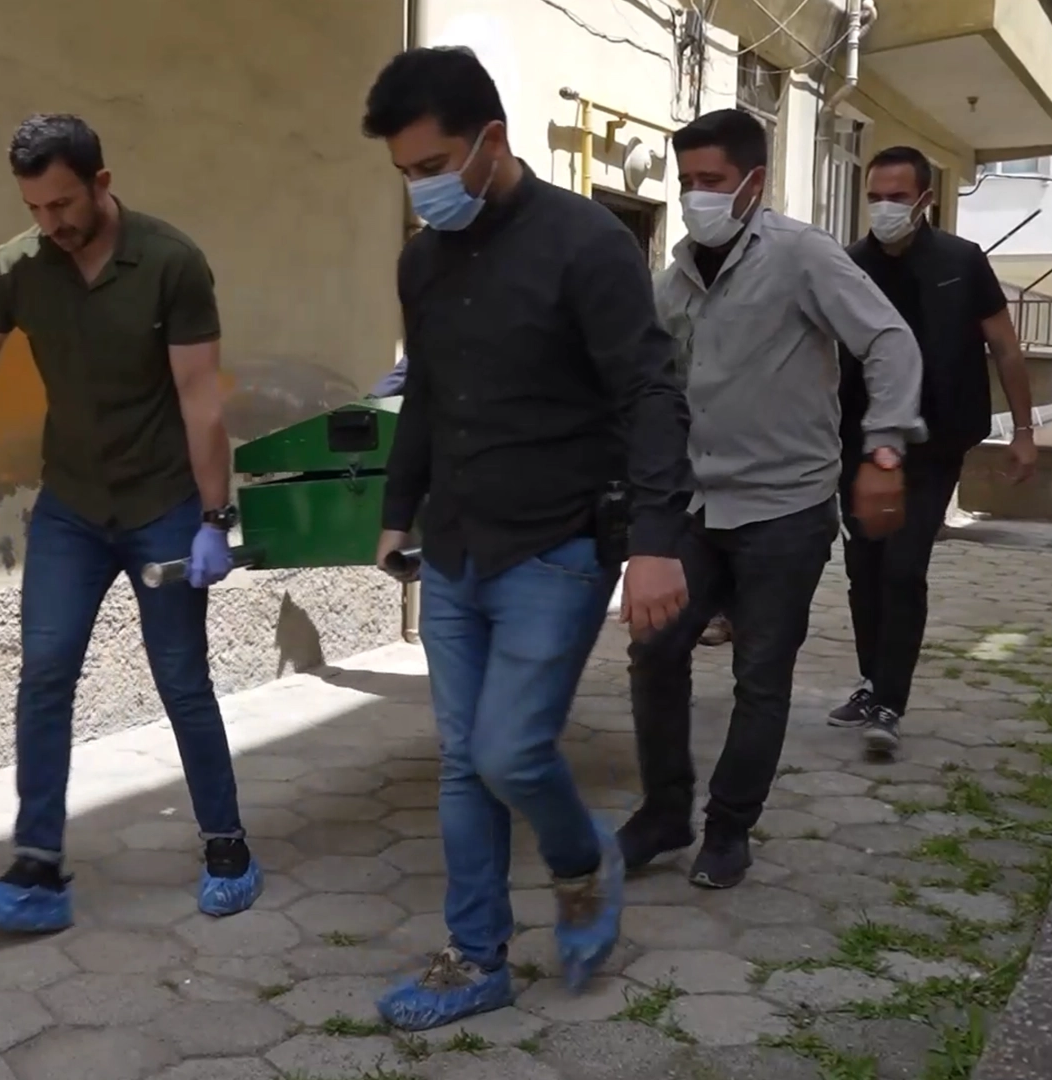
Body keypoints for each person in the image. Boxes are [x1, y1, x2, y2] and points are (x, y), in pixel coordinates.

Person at [362, 47, 693, 1030]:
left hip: (556, 546)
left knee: (508, 751)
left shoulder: (587, 245)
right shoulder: (422, 261)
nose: (421, 190)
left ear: (492, 141)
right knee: (464, 760)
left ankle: (583, 860)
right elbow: (427, 394)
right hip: (455, 546)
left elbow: (650, 392)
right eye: (405, 173)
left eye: (433, 166)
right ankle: (477, 959)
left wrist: (656, 541)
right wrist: (396, 509)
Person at [0, 113, 262, 933]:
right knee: (44, 673)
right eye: (35, 208)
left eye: (63, 204)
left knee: (181, 678)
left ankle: (227, 846)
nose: (51, 223)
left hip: (163, 505)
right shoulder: (18, 267)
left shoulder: (170, 262)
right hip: (71, 507)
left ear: (101, 183)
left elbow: (200, 401)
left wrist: (215, 518)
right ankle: (37, 872)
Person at [621, 108, 924, 889]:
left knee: (760, 674)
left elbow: (888, 340)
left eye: (712, 180)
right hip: (698, 507)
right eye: (686, 181)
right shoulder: (676, 278)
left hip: (785, 509)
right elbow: (651, 384)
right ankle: (664, 811)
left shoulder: (801, 256)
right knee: (655, 649)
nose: (696, 196)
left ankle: (729, 827)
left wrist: (884, 446)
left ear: (753, 181)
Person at [827, 145, 1037, 755]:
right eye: (874, 197)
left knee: (903, 567)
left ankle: (890, 702)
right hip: (859, 442)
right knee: (864, 569)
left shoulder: (961, 261)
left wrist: (1024, 432)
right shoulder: (849, 265)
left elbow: (1006, 348)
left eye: (897, 197)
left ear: (925, 200)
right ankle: (872, 682)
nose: (884, 208)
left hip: (935, 442)